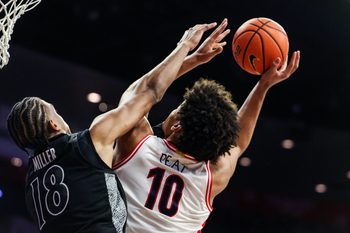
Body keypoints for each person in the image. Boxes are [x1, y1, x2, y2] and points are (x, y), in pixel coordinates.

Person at [6, 21, 222, 233]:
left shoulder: (32, 185)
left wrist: (191, 60)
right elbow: (147, 91)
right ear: (53, 124)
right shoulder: (85, 145)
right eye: (56, 112)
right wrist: (185, 47)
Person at [113, 21, 301, 232]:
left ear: (177, 127)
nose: (173, 110)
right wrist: (263, 85)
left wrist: (190, 55)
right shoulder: (212, 176)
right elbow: (237, 142)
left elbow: (144, 90)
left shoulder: (137, 145)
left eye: (178, 108)